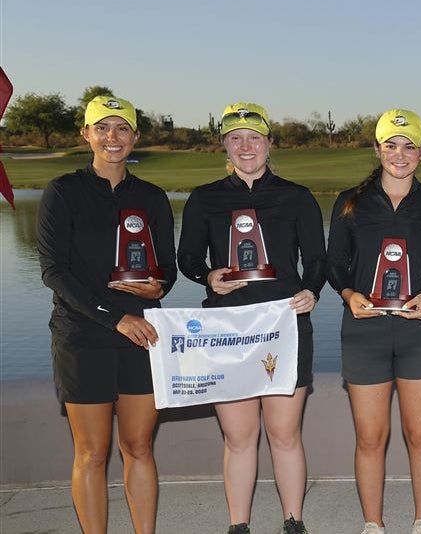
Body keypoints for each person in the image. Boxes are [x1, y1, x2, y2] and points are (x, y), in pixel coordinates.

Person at [177, 103, 325, 534]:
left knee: (284, 434)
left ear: (269, 144)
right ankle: (238, 525)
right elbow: (187, 258)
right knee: (239, 437)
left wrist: (311, 290)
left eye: (254, 138)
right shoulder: (204, 198)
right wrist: (208, 276)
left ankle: (293, 521)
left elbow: (317, 259)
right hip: (227, 329)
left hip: (284, 324)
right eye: (235, 138)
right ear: (224, 145)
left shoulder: (297, 197)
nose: (246, 147)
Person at [38, 95, 176, 534]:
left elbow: (167, 269)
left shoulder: (152, 197)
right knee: (92, 452)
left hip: (142, 335)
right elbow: (54, 271)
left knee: (139, 446)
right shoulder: (63, 192)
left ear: (135, 136)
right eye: (101, 127)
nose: (111, 137)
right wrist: (115, 318)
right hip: (82, 336)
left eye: (121, 128)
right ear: (86, 134)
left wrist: (159, 287)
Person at [327, 109, 421, 534]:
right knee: (370, 436)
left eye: (408, 146)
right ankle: (373, 524)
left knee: (420, 433)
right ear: (377, 149)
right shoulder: (350, 202)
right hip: (364, 329)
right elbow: (335, 264)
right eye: (390, 145)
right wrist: (349, 294)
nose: (399, 154)